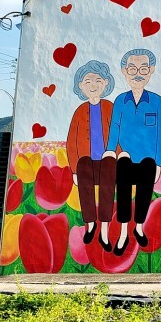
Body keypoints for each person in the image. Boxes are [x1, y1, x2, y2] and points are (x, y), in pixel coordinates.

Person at [103, 48, 161, 256]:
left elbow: (160, 133)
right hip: (125, 156)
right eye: (132, 68)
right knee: (123, 192)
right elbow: (114, 127)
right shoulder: (120, 101)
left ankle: (138, 227)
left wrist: (158, 162)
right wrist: (110, 150)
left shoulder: (156, 101)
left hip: (148, 158)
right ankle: (123, 233)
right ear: (124, 71)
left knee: (144, 193)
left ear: (151, 70)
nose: (137, 73)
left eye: (143, 68)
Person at [66, 60, 117, 250]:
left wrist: (120, 157)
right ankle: (90, 225)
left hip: (108, 162)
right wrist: (74, 170)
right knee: (84, 179)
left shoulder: (110, 107)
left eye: (98, 81)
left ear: (105, 83)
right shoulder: (80, 111)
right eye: (88, 81)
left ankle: (104, 229)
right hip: (86, 163)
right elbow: (71, 142)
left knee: (106, 191)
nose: (93, 85)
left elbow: (118, 135)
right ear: (81, 86)